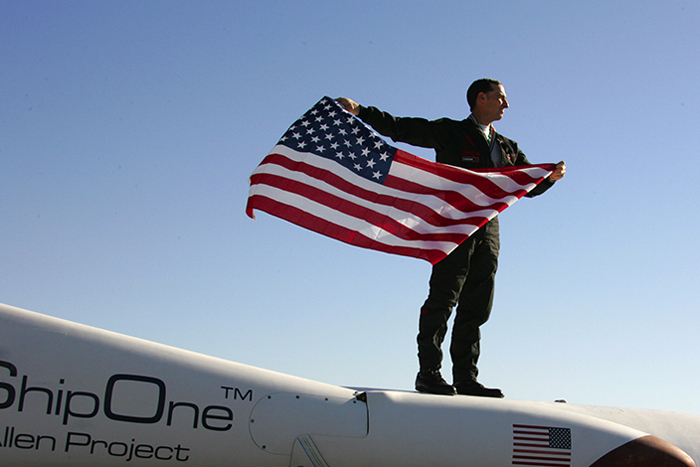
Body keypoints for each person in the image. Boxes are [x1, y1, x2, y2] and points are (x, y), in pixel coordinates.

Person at [337, 79, 566, 398]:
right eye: (501, 98)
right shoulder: (450, 132)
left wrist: (550, 178)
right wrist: (361, 111)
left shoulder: (508, 148)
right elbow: (402, 128)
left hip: (489, 234)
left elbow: (528, 185)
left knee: (477, 307)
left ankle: (466, 379)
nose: (507, 104)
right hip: (453, 229)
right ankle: (428, 373)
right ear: (481, 99)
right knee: (443, 299)